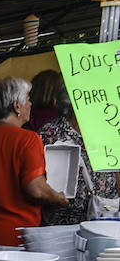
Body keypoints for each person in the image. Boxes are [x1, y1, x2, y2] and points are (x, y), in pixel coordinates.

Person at [0, 77, 68, 261]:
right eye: (28, 99)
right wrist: (57, 198)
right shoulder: (28, 139)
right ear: (17, 106)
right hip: (12, 239)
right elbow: (36, 189)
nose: (31, 104)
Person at [37, 94, 117, 225]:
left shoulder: (107, 130)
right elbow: (38, 178)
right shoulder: (50, 133)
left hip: (105, 219)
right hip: (63, 224)